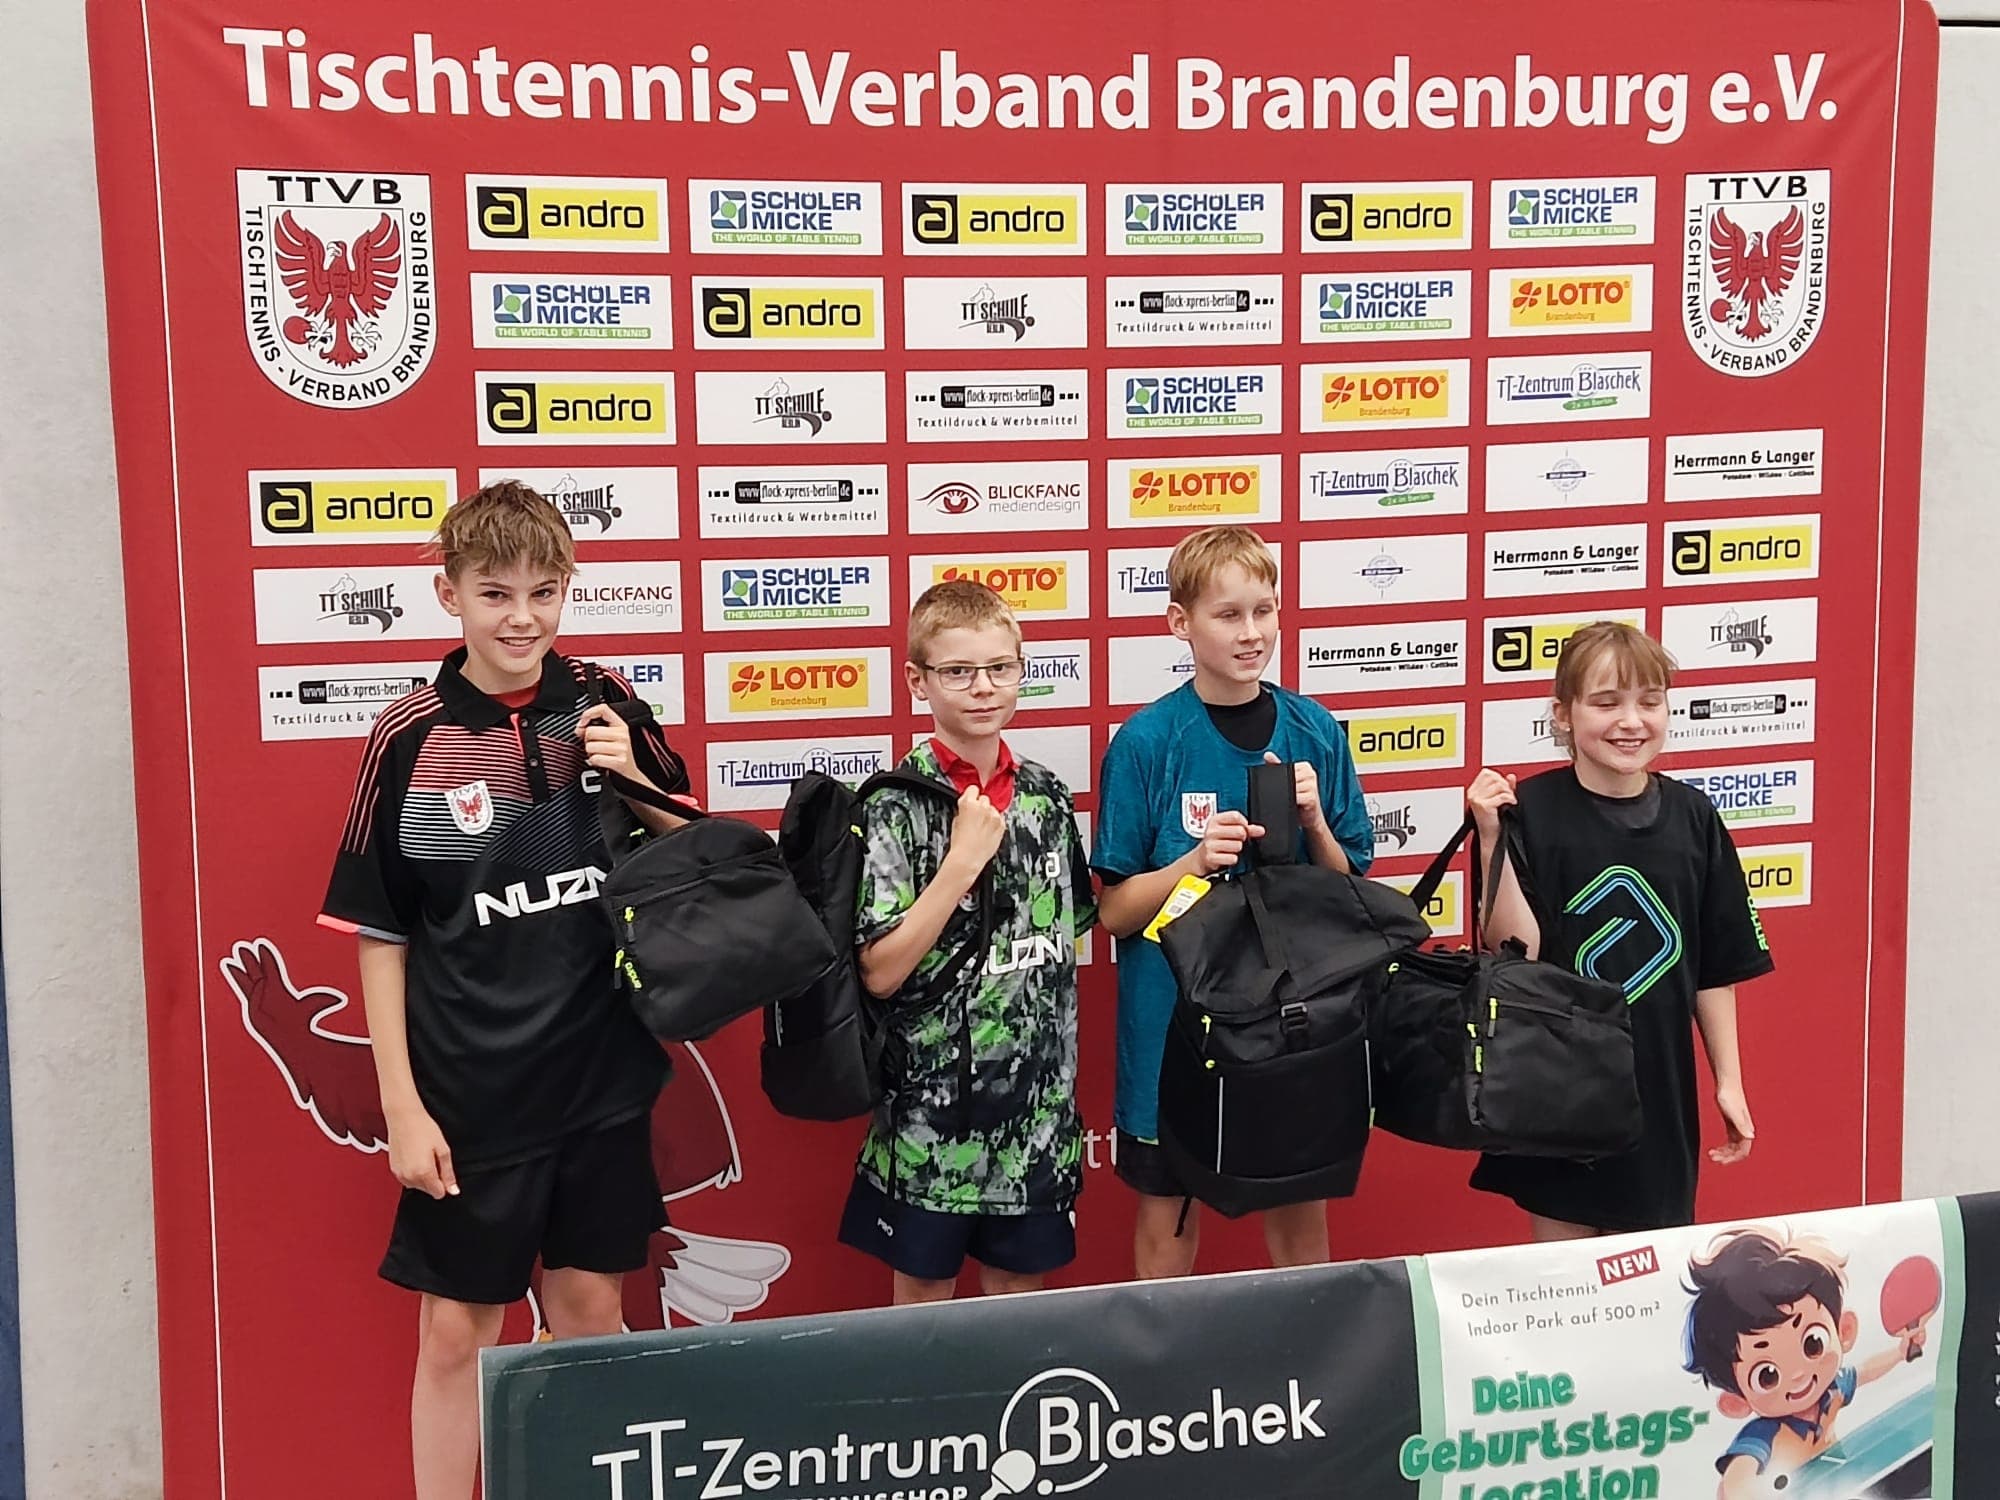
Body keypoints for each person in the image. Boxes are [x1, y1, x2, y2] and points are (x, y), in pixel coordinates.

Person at [318, 480, 691, 1499]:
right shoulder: (407, 733)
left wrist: (633, 771)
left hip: (601, 1076)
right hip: (470, 1091)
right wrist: (401, 1107)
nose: (522, 618)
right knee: (456, 1333)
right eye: (495, 594)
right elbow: (381, 935)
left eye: (543, 592)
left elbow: (689, 846)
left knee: (592, 1316)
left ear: (567, 588)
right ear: (449, 595)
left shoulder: (603, 698)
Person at [1091, 525, 1373, 1278]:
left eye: (1264, 611)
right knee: (1169, 1216)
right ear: (1179, 623)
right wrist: (1192, 862)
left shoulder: (1316, 730)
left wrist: (1314, 824)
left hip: (1293, 1022)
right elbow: (1114, 914)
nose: (1252, 633)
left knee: (1298, 1218)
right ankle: (1165, 1354)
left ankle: (1309, 1352)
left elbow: (1349, 895)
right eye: (1228, 615)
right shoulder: (1147, 742)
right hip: (1175, 1025)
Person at [1466, 620, 1774, 1240]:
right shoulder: (1528, 812)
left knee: (1650, 1276)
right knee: (1565, 1281)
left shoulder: (1694, 817)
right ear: (1563, 714)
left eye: (1649, 702)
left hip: (1659, 1091)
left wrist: (1729, 1082)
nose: (1631, 721)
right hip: (1556, 1082)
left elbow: (1715, 967)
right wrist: (1492, 838)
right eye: (1606, 703)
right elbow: (1515, 949)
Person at [837, 580, 1096, 1304]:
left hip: (1038, 1120)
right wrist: (959, 866)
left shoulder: (1047, 797)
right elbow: (879, 971)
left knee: (1019, 1302)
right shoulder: (894, 803)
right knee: (924, 1307)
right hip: (932, 1118)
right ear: (917, 680)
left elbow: (1069, 933)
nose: (982, 688)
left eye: (999, 668)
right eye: (957, 671)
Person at [1682, 1229, 1927, 1497]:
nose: (1798, 1374)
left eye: (1813, 1344)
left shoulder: (1833, 1390)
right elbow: (1737, 1478)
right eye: (1767, 1375)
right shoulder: (1765, 1434)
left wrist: (1900, 1352)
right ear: (1736, 1403)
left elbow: (1866, 1371)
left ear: (1844, 1331)